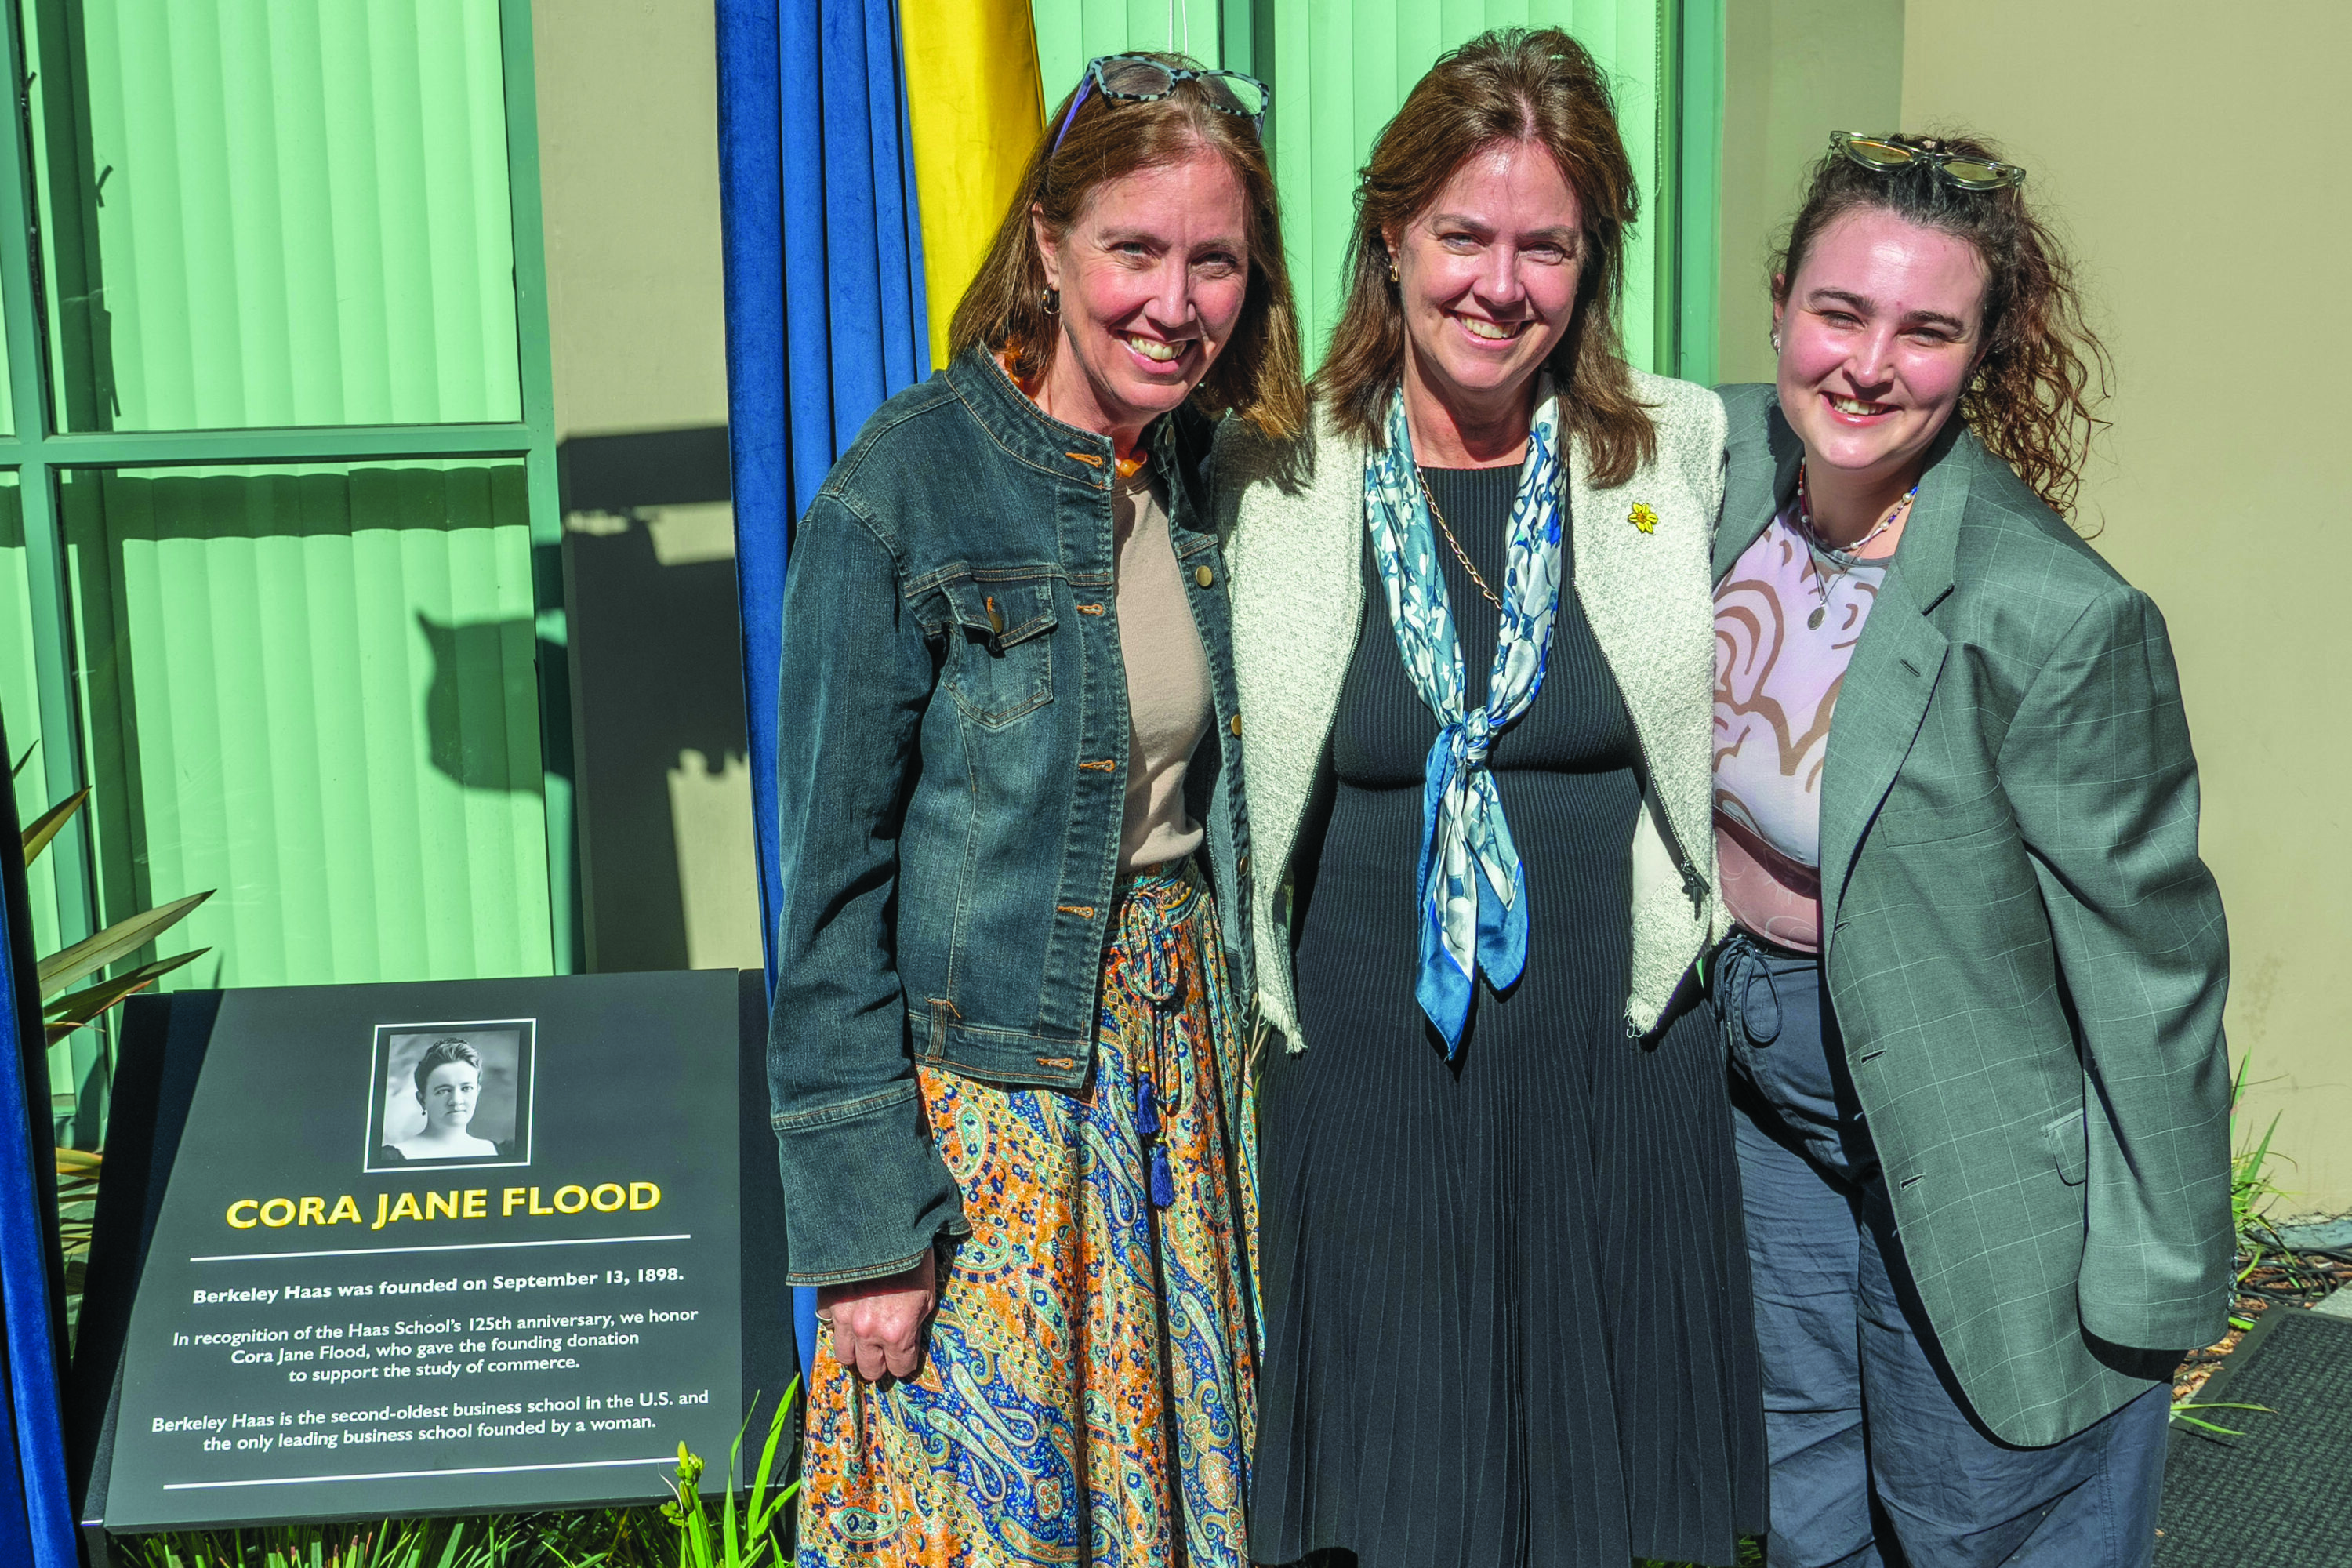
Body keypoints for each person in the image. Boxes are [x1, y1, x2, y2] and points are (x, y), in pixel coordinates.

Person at [1218, 29, 1766, 1568]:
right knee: (1388, 1513)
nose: (1498, 284)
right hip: (1369, 1093)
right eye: (1462, 234)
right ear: (1388, 232)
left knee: (1595, 1520)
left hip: (1616, 1084)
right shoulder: (1266, 471)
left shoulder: (1679, 451)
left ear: (1593, 262)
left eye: (1548, 245)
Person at [767, 51, 1305, 1567]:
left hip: (1182, 1089)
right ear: (1051, 242)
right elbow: (828, 896)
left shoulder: (1217, 481)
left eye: (1215, 261)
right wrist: (869, 1228)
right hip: (990, 1111)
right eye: (1136, 249)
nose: (1173, 301)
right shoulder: (903, 492)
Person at [1710, 130, 2231, 1566]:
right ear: (1778, 305)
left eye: (1927, 330)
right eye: (1841, 311)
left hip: (1969, 1122)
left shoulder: (2054, 618)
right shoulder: (1716, 470)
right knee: (1809, 1505)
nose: (1870, 364)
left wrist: (2162, 1280)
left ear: (1983, 352)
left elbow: (2155, 965)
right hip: (1768, 1106)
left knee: (1978, 1516)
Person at [382, 1037, 504, 1162]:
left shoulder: (499, 1151)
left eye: (466, 1088)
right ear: (422, 1100)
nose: (456, 1101)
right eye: (443, 1091)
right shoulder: (391, 1158)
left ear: (477, 1092)